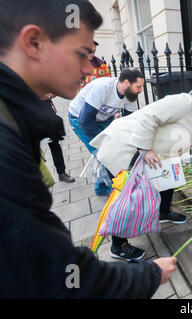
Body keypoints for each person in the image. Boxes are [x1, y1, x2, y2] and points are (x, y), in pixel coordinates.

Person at [0, 0, 177, 298]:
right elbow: (60, 274)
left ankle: (101, 181)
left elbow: (124, 119)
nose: (88, 69)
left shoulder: (16, 121)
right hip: (82, 121)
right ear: (34, 42)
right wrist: (149, 274)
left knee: (109, 158)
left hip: (98, 121)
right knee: (104, 156)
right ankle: (108, 197)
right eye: (82, 54)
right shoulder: (7, 147)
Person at [90, 79, 192, 260]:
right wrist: (144, 148)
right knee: (127, 199)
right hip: (125, 147)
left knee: (169, 180)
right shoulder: (182, 102)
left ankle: (163, 212)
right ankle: (118, 246)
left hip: (159, 156)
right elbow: (148, 116)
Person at [68, 68, 144, 196]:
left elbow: (131, 122)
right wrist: (104, 146)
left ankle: (104, 185)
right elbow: (85, 120)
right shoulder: (103, 88)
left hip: (103, 117)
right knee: (105, 154)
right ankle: (113, 188)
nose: (141, 90)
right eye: (138, 87)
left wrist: (140, 145)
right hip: (80, 118)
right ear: (126, 83)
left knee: (116, 148)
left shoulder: (131, 95)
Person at [43, 93, 75, 183]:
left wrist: (48, 96)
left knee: (55, 146)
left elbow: (53, 93)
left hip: (49, 117)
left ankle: (61, 173)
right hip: (32, 119)